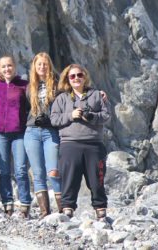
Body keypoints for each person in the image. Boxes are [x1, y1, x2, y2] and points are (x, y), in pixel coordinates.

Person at [50, 63, 110, 220]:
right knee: (69, 178)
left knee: (97, 178)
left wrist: (92, 117)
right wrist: (71, 115)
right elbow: (54, 120)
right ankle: (67, 207)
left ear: (85, 77)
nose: (76, 78)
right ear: (67, 79)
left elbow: (106, 116)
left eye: (79, 75)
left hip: (94, 144)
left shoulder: (97, 95)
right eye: (72, 76)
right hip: (70, 144)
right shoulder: (61, 98)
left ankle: (100, 208)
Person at [0, 56, 32, 217]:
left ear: (14, 67)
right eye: (3, 67)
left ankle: (25, 203)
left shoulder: (24, 85)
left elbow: (35, 102)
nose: (7, 69)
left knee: (21, 169)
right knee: (3, 170)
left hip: (19, 132)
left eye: (9, 66)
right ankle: (7, 203)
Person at [24, 52, 62, 219]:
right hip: (31, 131)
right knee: (38, 173)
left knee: (53, 171)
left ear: (49, 65)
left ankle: (63, 210)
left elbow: (76, 88)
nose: (42, 67)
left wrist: (97, 93)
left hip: (50, 131)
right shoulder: (29, 86)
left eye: (45, 64)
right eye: (39, 64)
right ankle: (45, 212)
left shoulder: (58, 84)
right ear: (34, 66)